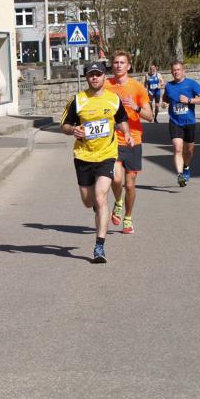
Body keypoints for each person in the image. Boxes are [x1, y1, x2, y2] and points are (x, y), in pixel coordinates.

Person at [61, 62, 132, 263]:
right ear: (86, 77)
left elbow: (122, 119)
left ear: (104, 77)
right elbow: (64, 125)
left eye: (98, 74)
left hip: (107, 155)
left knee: (101, 198)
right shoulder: (78, 100)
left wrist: (127, 133)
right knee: (88, 201)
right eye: (91, 74)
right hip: (83, 156)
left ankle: (99, 246)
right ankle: (97, 208)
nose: (94, 77)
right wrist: (73, 130)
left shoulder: (113, 99)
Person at [106, 51, 152, 235]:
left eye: (122, 62)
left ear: (128, 66)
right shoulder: (106, 85)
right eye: (116, 62)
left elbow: (150, 116)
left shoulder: (137, 88)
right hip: (113, 140)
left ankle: (128, 217)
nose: (118, 65)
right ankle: (118, 201)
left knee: (130, 184)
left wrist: (136, 107)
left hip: (133, 140)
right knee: (116, 179)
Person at [161, 61, 200, 187]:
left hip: (189, 122)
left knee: (189, 150)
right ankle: (180, 174)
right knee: (178, 148)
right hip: (175, 121)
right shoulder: (169, 86)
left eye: (178, 69)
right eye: (174, 70)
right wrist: (164, 103)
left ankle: (186, 166)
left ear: (183, 71)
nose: (176, 72)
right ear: (171, 72)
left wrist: (189, 100)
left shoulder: (191, 84)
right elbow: (165, 98)